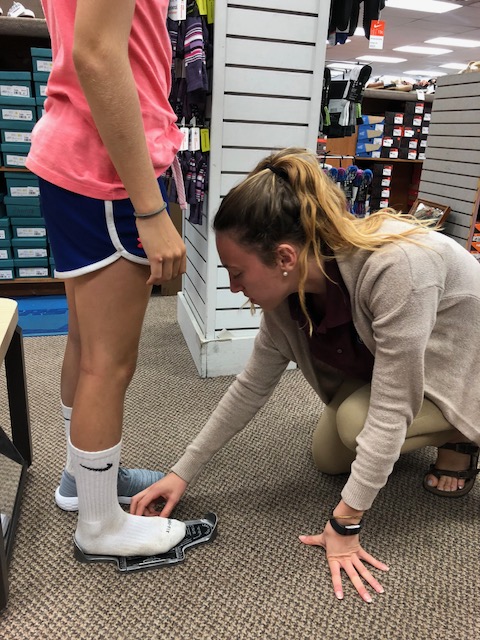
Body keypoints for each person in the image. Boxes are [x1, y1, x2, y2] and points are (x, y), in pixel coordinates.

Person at [131, 147, 480, 601]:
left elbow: (393, 403)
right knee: (330, 458)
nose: (235, 287)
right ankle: (409, 436)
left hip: (462, 369)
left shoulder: (397, 268)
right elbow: (249, 387)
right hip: (402, 369)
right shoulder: (287, 296)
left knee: (359, 423)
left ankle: (462, 439)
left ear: (284, 257)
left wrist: (346, 523)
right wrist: (182, 472)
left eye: (238, 273)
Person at [26, 0, 188, 558]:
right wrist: (150, 208)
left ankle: (82, 481)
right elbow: (98, 55)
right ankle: (100, 526)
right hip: (109, 167)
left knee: (84, 342)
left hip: (78, 152)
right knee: (109, 362)